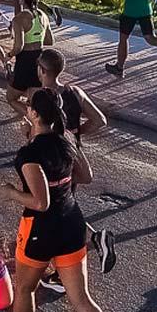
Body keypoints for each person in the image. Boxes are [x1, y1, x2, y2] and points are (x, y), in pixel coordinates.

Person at [1, 88, 135, 312]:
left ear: (34, 114)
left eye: (29, 107)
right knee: (82, 300)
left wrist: (9, 193)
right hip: (72, 225)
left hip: (40, 231)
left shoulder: (28, 155)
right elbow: (86, 176)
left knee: (25, 288)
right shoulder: (67, 142)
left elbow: (40, 201)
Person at [31, 47, 118, 275]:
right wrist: (75, 135)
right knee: (64, 207)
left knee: (54, 210)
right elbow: (100, 120)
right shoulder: (75, 92)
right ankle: (88, 246)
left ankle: (66, 264)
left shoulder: (40, 98)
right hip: (72, 155)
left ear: (41, 70)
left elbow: (35, 134)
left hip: (50, 160)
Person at [5, 0, 53, 115]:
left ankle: (32, 120)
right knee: (33, 100)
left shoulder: (19, 19)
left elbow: (18, 47)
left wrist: (8, 55)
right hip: (40, 60)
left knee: (11, 98)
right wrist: (36, 37)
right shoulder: (43, 15)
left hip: (25, 61)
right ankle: (35, 122)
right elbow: (50, 40)